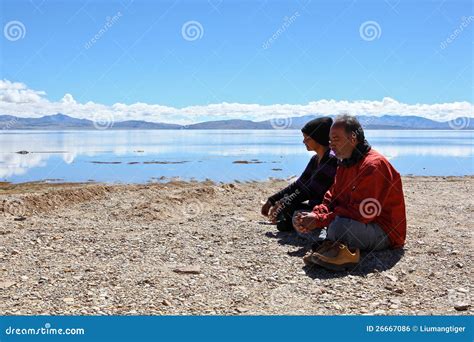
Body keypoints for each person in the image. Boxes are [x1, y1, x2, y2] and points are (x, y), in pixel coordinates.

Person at [293, 114, 406, 271]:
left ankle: (338, 250)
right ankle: (332, 246)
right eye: (330, 140)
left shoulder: (373, 166)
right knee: (299, 216)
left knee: (339, 227)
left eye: (336, 139)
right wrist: (316, 214)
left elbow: (363, 214)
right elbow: (331, 198)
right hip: (352, 221)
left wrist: (321, 220)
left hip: (383, 230)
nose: (331, 145)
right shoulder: (345, 162)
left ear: (353, 138)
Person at [261, 117, 337, 234]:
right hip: (313, 207)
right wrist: (272, 200)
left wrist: (284, 202)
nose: (304, 141)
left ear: (318, 138)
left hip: (325, 211)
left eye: (307, 138)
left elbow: (311, 191)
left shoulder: (331, 159)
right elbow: (299, 185)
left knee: (289, 214)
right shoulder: (315, 159)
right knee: (287, 212)